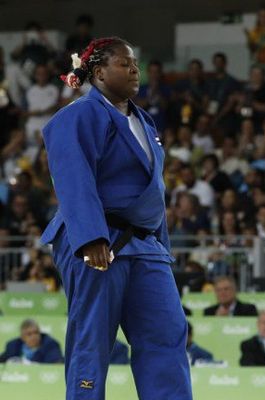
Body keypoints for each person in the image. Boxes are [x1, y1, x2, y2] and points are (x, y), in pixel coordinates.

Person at [40, 37, 192, 399]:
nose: (134, 69)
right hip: (98, 240)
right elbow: (73, 176)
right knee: (92, 339)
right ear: (98, 72)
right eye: (124, 63)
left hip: (145, 244)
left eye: (135, 62)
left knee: (167, 333)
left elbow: (153, 192)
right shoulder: (78, 115)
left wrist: (160, 244)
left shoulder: (144, 121)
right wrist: (90, 236)